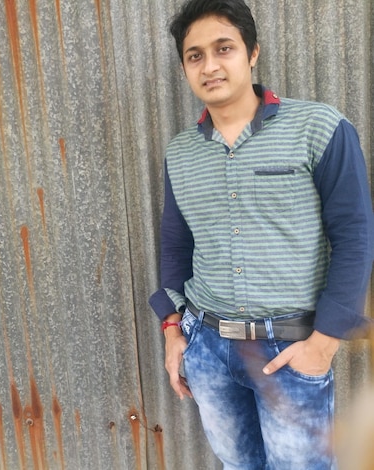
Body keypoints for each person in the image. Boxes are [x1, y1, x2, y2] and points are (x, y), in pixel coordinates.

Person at [149, 0, 374, 468]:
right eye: (195, 55)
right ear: (185, 66)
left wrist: (324, 343)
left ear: (252, 52)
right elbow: (176, 244)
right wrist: (173, 329)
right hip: (208, 350)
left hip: (290, 348)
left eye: (223, 48)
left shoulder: (319, 128)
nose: (209, 65)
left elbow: (354, 236)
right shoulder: (180, 153)